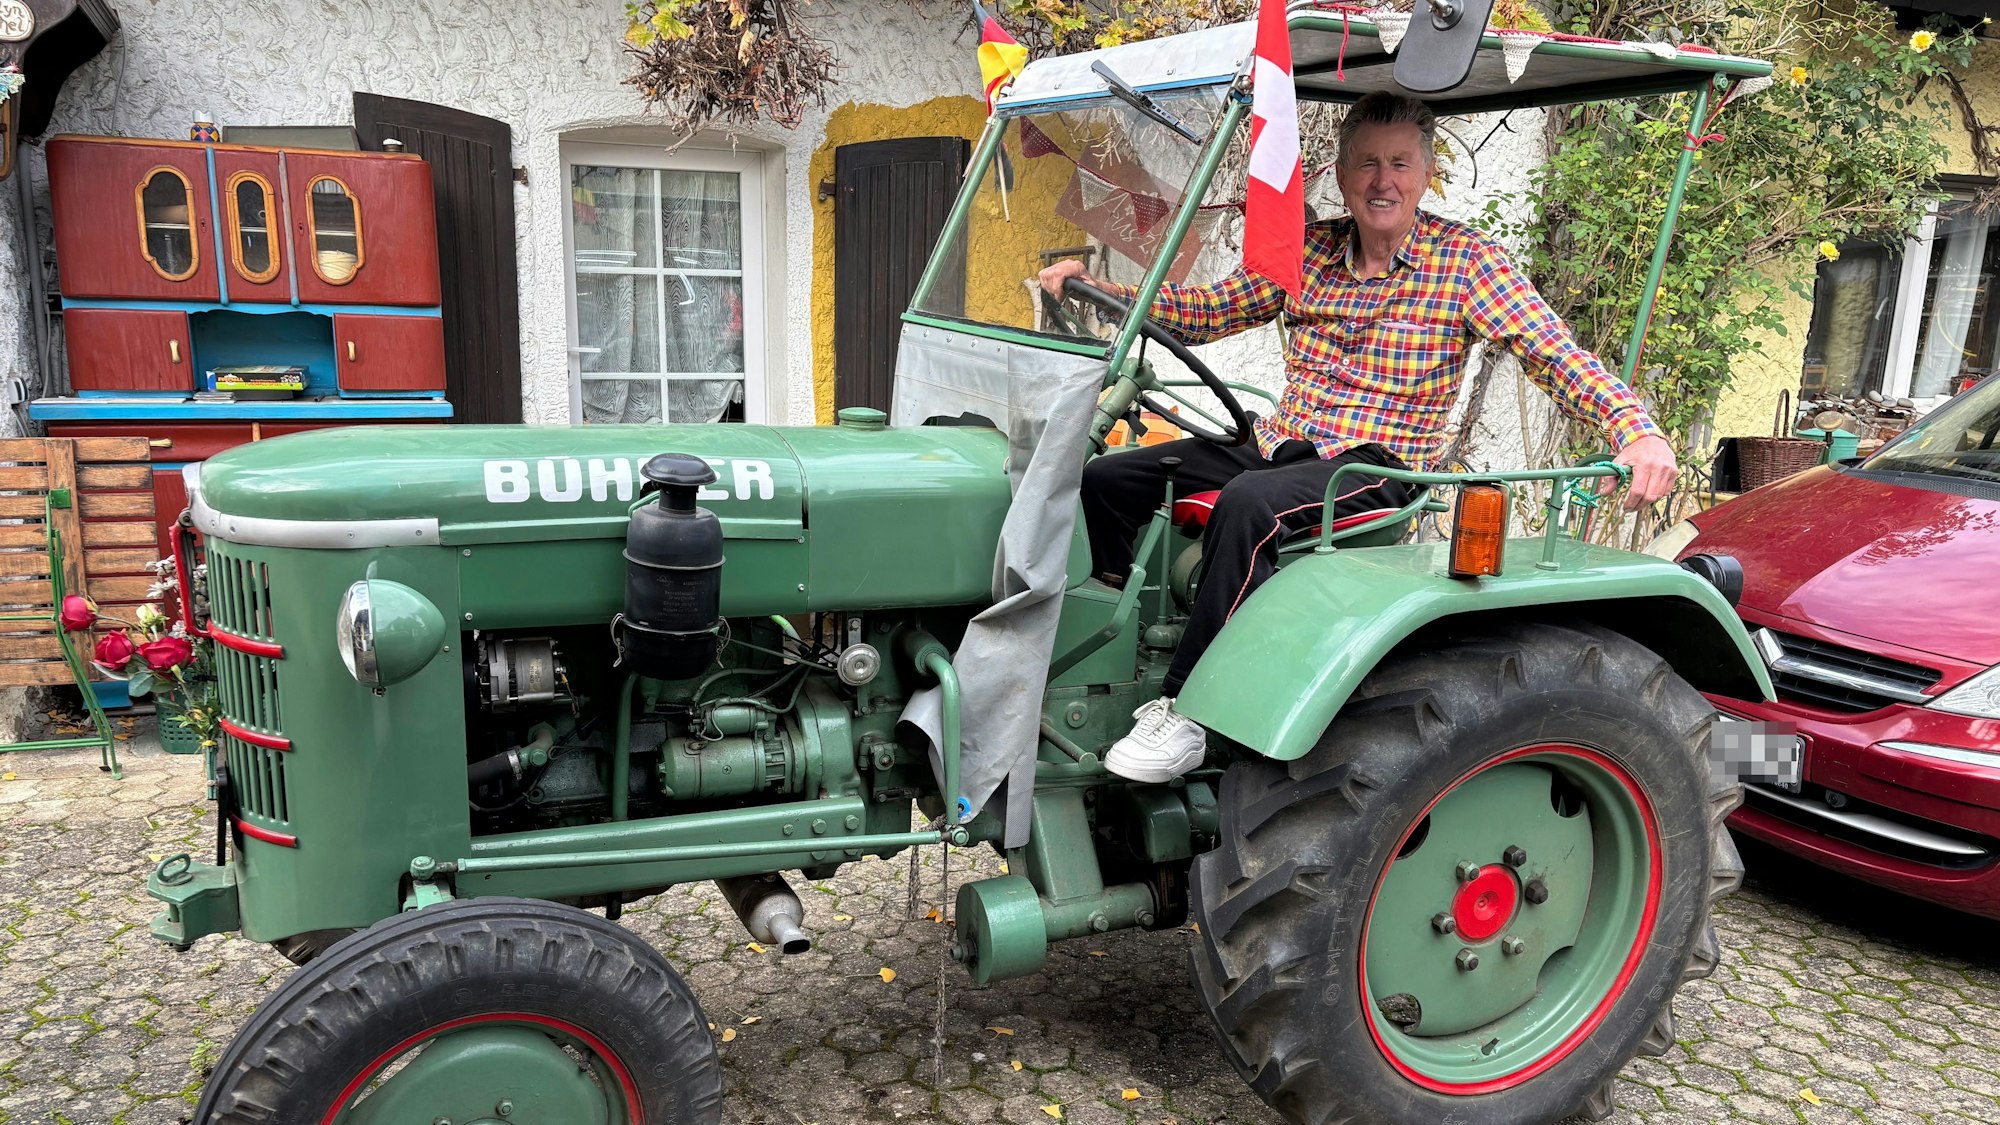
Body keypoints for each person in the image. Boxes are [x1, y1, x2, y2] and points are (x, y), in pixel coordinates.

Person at [1038, 91, 1678, 784]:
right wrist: (1103, 291)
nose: (1383, 181)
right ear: (1341, 177)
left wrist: (1634, 428)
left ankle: (1187, 707)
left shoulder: (1466, 263)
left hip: (1376, 464)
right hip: (1283, 443)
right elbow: (1208, 310)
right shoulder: (1310, 250)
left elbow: (1553, 352)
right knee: (1105, 480)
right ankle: (1117, 640)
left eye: (1400, 163)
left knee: (1249, 504)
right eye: (1368, 164)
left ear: (1426, 173)